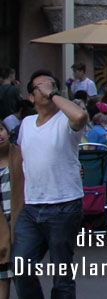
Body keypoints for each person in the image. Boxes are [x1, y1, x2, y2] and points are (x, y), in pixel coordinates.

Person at [11, 69, 89, 299]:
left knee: (61, 274)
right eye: (40, 86)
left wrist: (53, 93)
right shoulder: (25, 123)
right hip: (32, 206)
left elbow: (80, 117)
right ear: (31, 97)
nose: (47, 88)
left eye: (52, 84)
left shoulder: (65, 119)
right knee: (20, 266)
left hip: (64, 205)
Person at [0, 121, 22, 299]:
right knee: (2, 278)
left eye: (0, 130)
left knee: (24, 276)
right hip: (1, 230)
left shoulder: (20, 155)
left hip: (20, 222)